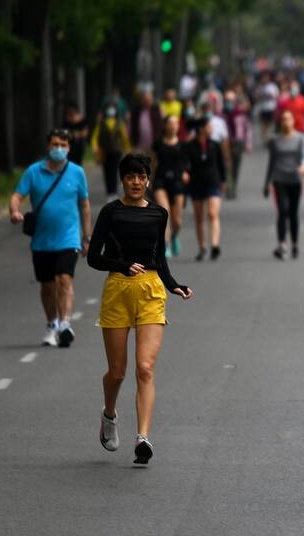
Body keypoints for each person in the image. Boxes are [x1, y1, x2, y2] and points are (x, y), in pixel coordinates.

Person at [87, 152, 192, 465]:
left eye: (141, 177)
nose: (136, 182)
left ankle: (143, 437)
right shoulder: (110, 212)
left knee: (145, 368)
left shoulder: (158, 214)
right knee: (117, 372)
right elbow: (94, 257)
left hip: (151, 292)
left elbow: (159, 257)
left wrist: (174, 284)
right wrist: (121, 265)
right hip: (118, 291)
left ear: (148, 180)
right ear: (123, 179)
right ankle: (109, 414)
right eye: (130, 177)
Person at [9, 128, 91, 347]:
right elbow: (17, 195)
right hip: (42, 240)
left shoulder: (77, 172)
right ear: (48, 146)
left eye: (63, 145)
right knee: (47, 287)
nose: (59, 149)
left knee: (64, 280)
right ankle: (51, 323)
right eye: (55, 144)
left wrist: (86, 237)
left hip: (69, 238)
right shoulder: (34, 172)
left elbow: (84, 205)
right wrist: (14, 210)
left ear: (69, 148)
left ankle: (65, 323)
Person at [265, 109, 304, 260]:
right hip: (279, 179)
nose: (286, 122)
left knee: (293, 213)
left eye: (288, 119)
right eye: (283, 119)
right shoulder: (275, 140)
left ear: (293, 121)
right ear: (280, 122)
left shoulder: (300, 138)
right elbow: (271, 162)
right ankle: (282, 243)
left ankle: (295, 243)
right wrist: (266, 182)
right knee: (282, 211)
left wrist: (303, 166)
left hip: (295, 179)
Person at [181, 118, 226, 261]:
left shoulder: (214, 145)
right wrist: (185, 172)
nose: (211, 129)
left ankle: (215, 245)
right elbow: (185, 163)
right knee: (199, 217)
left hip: (213, 181)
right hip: (196, 183)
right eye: (209, 126)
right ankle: (202, 247)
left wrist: (224, 181)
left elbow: (221, 164)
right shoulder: (190, 146)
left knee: (212, 213)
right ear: (201, 128)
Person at [151, 116, 186, 258]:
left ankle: (174, 236)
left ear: (178, 127)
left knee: (177, 220)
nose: (172, 126)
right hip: (161, 181)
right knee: (164, 213)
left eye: (175, 124)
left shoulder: (183, 145)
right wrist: (149, 180)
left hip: (177, 183)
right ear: (165, 126)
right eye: (170, 124)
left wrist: (186, 173)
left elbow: (187, 163)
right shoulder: (158, 144)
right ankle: (164, 244)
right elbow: (152, 163)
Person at [92, 104, 131, 198]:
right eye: (109, 108)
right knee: (106, 171)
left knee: (114, 171)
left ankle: (113, 192)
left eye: (113, 109)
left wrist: (127, 149)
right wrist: (95, 146)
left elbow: (124, 137)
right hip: (104, 151)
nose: (111, 110)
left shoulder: (119, 123)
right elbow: (95, 136)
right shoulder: (101, 123)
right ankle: (109, 192)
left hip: (116, 151)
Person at [222, 89, 252, 200]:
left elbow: (247, 129)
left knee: (236, 167)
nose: (228, 102)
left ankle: (233, 186)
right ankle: (229, 188)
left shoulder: (240, 114)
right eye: (227, 100)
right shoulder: (222, 114)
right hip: (225, 143)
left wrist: (248, 144)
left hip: (238, 142)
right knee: (227, 166)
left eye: (231, 100)